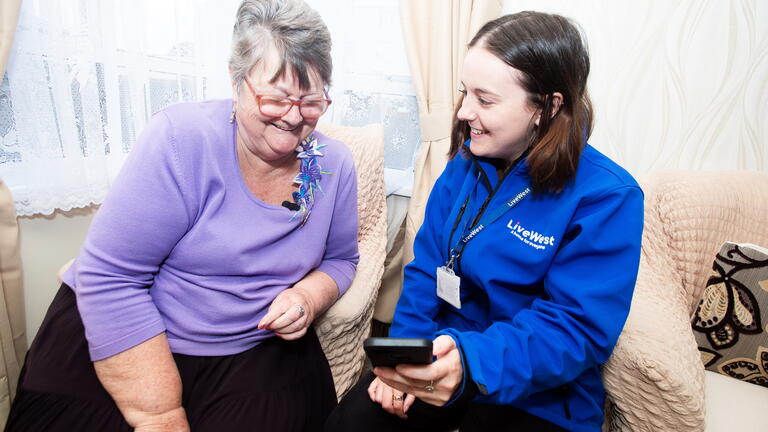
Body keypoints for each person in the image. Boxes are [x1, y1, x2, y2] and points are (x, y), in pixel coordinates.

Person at [6, 1, 358, 431]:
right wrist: (160, 415)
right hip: (130, 330)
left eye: (311, 102)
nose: (293, 117)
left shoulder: (335, 164)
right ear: (236, 80)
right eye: (275, 99)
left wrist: (307, 296)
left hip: (253, 347)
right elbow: (112, 278)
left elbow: (342, 260)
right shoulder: (180, 138)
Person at [326, 11, 643, 432]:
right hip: (442, 356)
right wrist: (401, 361)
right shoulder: (465, 164)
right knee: (351, 422)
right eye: (465, 92)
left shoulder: (608, 197)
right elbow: (426, 270)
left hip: (538, 394)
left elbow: (575, 328)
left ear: (547, 107)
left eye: (485, 100)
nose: (464, 112)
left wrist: (471, 361)